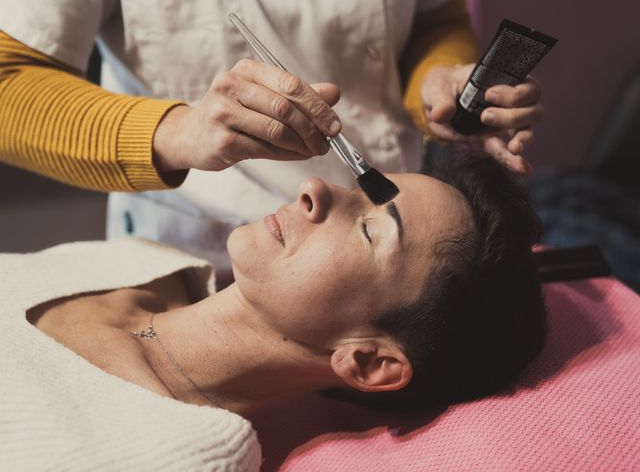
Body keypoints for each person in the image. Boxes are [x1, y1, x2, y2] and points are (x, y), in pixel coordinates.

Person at [0, 152, 546, 470]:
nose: (313, 188)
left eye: (368, 228)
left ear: (368, 362)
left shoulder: (186, 451)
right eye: (361, 189)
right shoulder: (147, 262)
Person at [0, 0, 544, 283]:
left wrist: (438, 81)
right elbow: (8, 83)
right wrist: (178, 130)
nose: (314, 192)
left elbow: (431, 15)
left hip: (377, 263)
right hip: (191, 245)